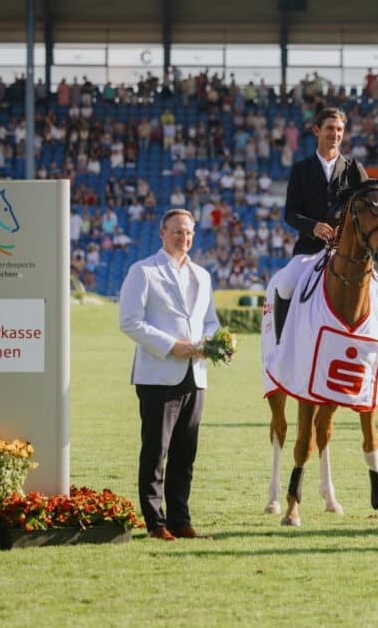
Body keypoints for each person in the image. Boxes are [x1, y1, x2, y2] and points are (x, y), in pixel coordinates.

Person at [119, 208, 220, 541]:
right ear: (162, 233)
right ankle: (155, 523)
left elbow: (211, 321)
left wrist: (208, 342)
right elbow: (129, 321)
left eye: (188, 232)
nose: (183, 237)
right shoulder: (143, 271)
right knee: (155, 453)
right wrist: (171, 346)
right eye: (177, 231)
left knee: (185, 455)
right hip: (158, 375)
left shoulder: (202, 275)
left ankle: (180, 520)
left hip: (196, 374)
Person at [284, 107, 367, 256]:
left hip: (348, 253)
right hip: (308, 251)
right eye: (330, 128)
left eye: (339, 129)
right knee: (285, 274)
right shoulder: (300, 170)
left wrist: (347, 227)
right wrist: (313, 227)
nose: (335, 134)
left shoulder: (356, 170)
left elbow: (366, 211)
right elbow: (290, 214)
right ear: (317, 131)